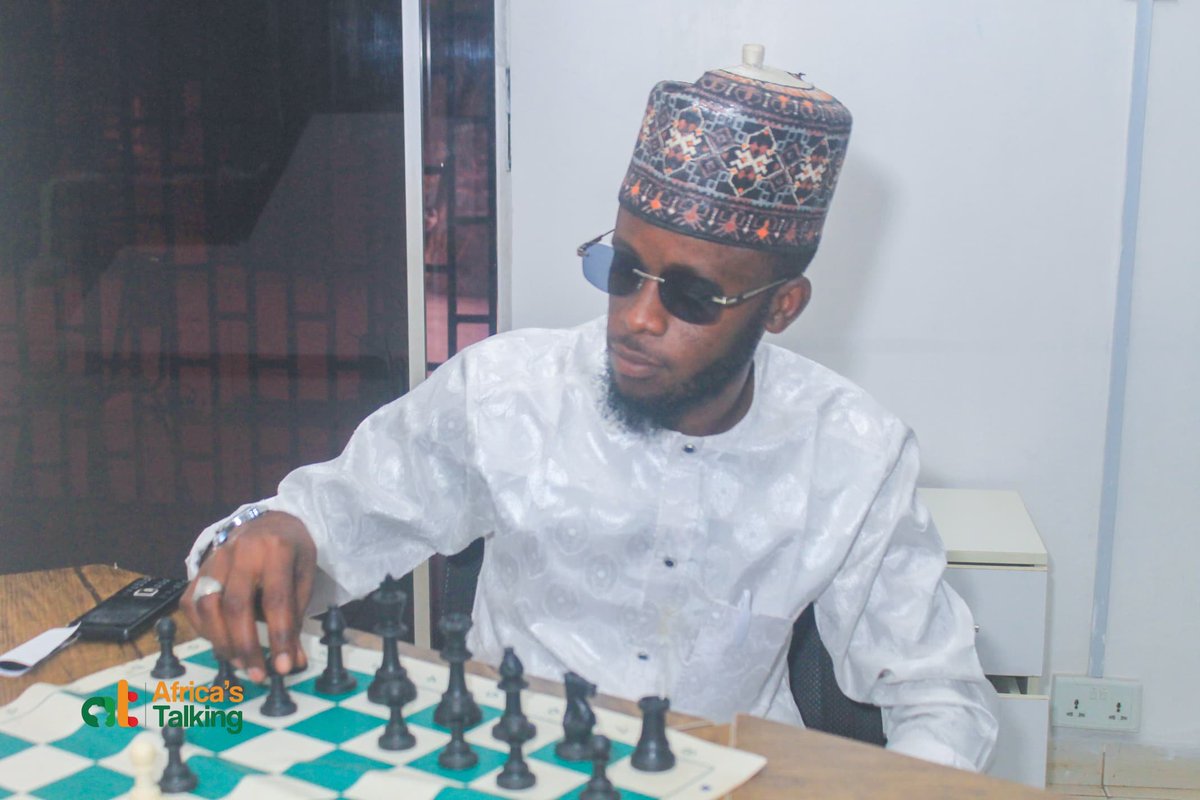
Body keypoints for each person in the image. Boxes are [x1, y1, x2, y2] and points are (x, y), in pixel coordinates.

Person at [183, 50, 999, 772]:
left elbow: (941, 701)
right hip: (508, 764)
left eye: (690, 295)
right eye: (621, 268)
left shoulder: (855, 450)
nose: (637, 319)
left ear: (781, 307)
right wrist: (269, 536)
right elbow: (320, 524)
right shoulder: (508, 393)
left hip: (741, 777)